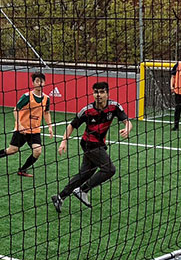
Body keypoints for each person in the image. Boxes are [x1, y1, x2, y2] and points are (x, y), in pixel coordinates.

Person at [51, 82, 132, 213]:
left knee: (85, 174)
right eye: (96, 92)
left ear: (107, 93)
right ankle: (83, 190)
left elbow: (127, 121)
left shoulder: (114, 107)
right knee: (109, 169)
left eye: (101, 92)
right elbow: (72, 125)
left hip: (99, 144)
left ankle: (60, 197)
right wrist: (63, 141)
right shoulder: (87, 110)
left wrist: (127, 129)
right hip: (89, 143)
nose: (98, 95)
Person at [0, 72, 55, 177]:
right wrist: (19, 125)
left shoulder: (46, 98)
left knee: (38, 151)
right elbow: (16, 110)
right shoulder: (27, 96)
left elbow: (46, 113)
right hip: (21, 130)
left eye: (41, 81)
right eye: (37, 81)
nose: (39, 83)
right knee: (12, 150)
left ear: (44, 83)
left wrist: (50, 126)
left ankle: (22, 170)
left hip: (34, 130)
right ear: (33, 83)